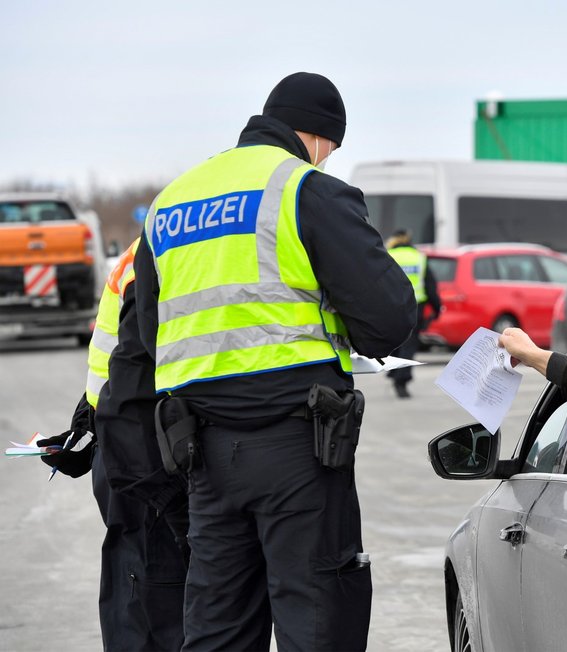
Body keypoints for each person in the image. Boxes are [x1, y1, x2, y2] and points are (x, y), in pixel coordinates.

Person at [117, 72, 416, 651]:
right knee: (318, 614)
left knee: (219, 623)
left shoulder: (170, 203)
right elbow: (390, 322)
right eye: (332, 149)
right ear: (322, 137)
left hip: (201, 452)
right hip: (296, 445)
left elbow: (153, 337)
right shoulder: (305, 188)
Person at [39, 238, 189, 651]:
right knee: (164, 598)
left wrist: (86, 423)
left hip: (120, 437)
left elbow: (114, 357)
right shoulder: (179, 247)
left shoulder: (145, 243)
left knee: (133, 591)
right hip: (153, 447)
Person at [385, 228, 441, 398]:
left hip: (391, 307)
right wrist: (437, 308)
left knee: (394, 342)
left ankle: (395, 372)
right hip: (414, 308)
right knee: (408, 345)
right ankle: (400, 380)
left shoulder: (387, 255)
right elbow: (430, 287)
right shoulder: (419, 257)